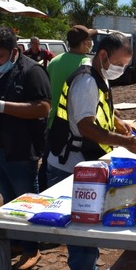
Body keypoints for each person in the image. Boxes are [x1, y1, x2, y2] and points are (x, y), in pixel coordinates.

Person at [46, 32, 136, 270]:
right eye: (120, 64)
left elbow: (102, 107)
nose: (122, 69)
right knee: (81, 230)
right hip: (69, 166)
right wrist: (124, 141)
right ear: (103, 56)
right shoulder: (86, 82)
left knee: (88, 225)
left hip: (84, 164)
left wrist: (119, 122)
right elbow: (85, 126)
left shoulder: (98, 76)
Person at [0, 26, 51, 270]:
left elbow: (42, 108)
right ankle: (18, 240)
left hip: (21, 148)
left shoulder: (31, 71)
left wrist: (4, 107)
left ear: (14, 51)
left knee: (26, 199)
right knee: (8, 197)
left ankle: (32, 247)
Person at [36, 25, 96, 191]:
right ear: (84, 44)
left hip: (52, 122)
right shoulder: (86, 64)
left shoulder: (55, 61)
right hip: (73, 126)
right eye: (89, 40)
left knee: (48, 163)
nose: (91, 42)